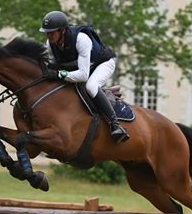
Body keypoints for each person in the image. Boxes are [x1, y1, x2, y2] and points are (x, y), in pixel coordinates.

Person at [40, 10, 129, 143]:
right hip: (84, 67)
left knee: (91, 86)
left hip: (102, 64)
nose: (49, 36)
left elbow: (82, 75)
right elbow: (53, 66)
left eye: (52, 32)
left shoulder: (81, 39)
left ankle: (115, 125)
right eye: (47, 32)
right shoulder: (50, 45)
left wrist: (59, 74)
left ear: (62, 30)